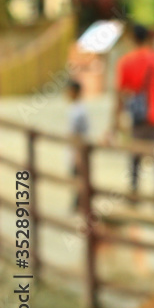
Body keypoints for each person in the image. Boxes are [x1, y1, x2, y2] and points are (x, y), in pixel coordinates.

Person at [107, 24, 154, 206]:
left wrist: (114, 125)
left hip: (139, 119)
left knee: (135, 159)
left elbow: (120, 96)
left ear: (133, 38)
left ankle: (134, 196)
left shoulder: (126, 62)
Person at [67, 79, 89, 210]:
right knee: (77, 175)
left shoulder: (78, 111)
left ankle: (79, 203)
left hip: (78, 148)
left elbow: (78, 133)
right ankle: (78, 202)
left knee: (78, 175)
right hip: (75, 148)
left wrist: (77, 152)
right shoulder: (75, 108)